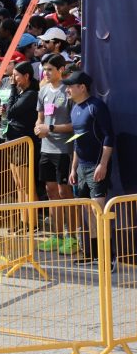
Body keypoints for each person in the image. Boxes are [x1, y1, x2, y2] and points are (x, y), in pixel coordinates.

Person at [65, 71, 115, 262]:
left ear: (82, 87)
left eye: (70, 86)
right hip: (81, 167)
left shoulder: (96, 106)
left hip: (96, 166)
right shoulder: (75, 108)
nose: (67, 90)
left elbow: (109, 136)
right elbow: (77, 140)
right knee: (88, 211)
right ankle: (94, 254)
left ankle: (107, 257)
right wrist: (73, 168)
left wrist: (103, 164)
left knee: (99, 211)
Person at [35, 54, 76, 254]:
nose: (46, 73)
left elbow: (74, 124)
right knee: (50, 191)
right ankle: (57, 235)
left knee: (64, 192)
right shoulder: (43, 90)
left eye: (50, 69)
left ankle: (73, 237)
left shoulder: (68, 90)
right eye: (45, 69)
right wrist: (38, 127)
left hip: (63, 149)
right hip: (46, 148)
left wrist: (50, 128)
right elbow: (40, 117)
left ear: (61, 69)